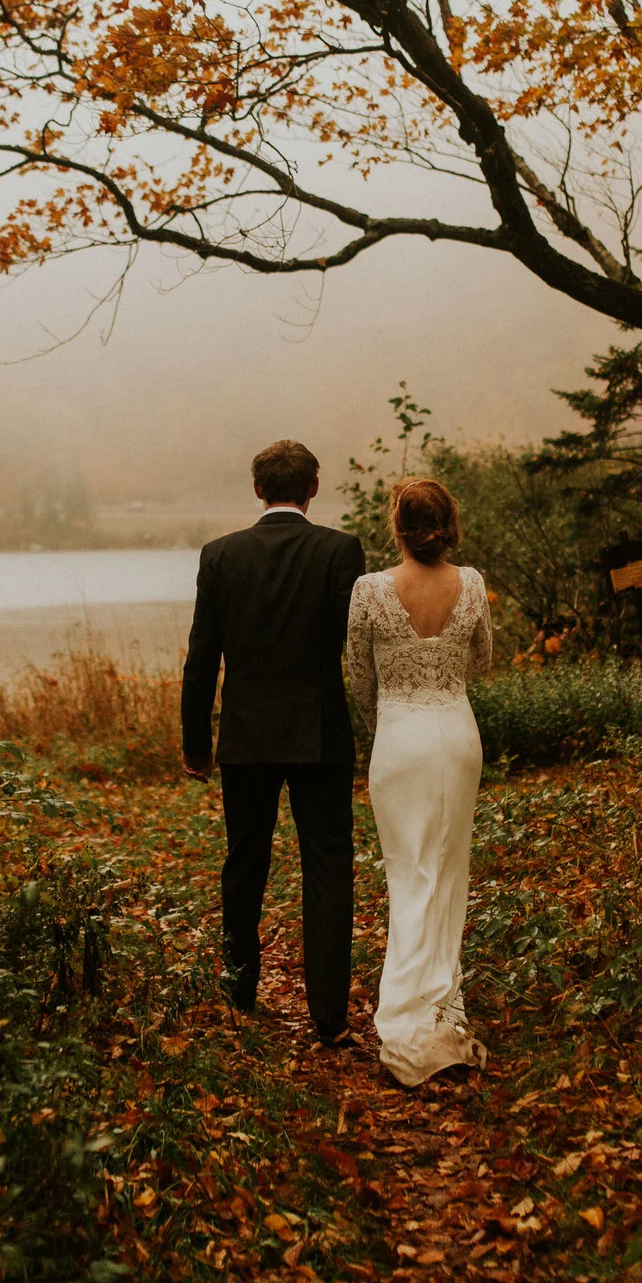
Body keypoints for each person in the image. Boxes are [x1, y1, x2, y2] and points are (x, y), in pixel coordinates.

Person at [181, 440, 368, 1044]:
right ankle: (330, 1016)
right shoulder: (340, 550)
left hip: (246, 731)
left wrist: (196, 742)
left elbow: (202, 656)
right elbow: (353, 643)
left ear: (257, 489)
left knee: (245, 862)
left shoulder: (220, 555)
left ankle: (240, 997)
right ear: (313, 488)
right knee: (329, 866)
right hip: (320, 731)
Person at [345, 477, 492, 1087]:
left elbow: (357, 676)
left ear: (397, 527)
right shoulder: (474, 583)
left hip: (400, 741)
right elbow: (480, 661)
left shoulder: (370, 589)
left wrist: (388, 718)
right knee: (449, 871)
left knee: (409, 873)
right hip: (457, 735)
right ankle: (443, 1004)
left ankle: (408, 1013)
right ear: (448, 523)